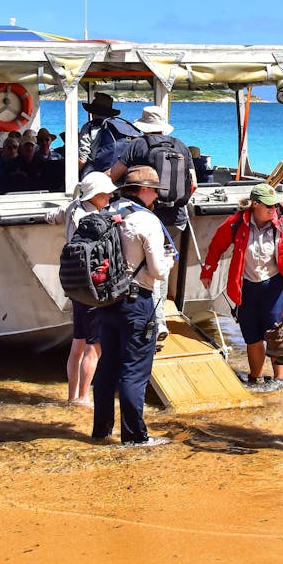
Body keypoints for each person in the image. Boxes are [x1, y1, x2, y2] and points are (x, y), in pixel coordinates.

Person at [92, 165, 174, 447]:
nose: (156, 197)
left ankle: (101, 430)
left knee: (107, 368)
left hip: (107, 301)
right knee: (134, 370)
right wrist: (169, 260)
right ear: (143, 190)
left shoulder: (106, 214)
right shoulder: (146, 220)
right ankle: (135, 437)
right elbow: (158, 271)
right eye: (154, 190)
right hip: (137, 302)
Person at [107, 105, 196, 344]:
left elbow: (115, 174)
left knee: (142, 266)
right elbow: (193, 185)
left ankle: (152, 322)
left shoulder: (137, 145)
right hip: (175, 219)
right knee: (161, 264)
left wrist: (93, 182)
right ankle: (159, 319)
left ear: (143, 127)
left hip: (143, 214)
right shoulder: (181, 146)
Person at [200, 183, 283, 390]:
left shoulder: (281, 225)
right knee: (252, 336)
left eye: (274, 205)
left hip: (274, 286)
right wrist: (208, 271)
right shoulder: (236, 223)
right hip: (246, 286)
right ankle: (256, 379)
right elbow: (217, 245)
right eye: (268, 206)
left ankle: (279, 381)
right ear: (255, 205)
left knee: (277, 335)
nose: (273, 210)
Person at [46, 171, 117, 407]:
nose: (109, 197)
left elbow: (51, 216)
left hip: (74, 284)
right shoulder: (95, 220)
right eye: (105, 194)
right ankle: (85, 397)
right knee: (94, 346)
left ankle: (72, 395)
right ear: (95, 195)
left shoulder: (73, 208)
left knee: (78, 341)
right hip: (92, 287)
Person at [79, 92, 140, 176]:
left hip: (98, 172)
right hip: (122, 172)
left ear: (93, 111)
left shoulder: (89, 127)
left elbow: (83, 158)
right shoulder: (121, 127)